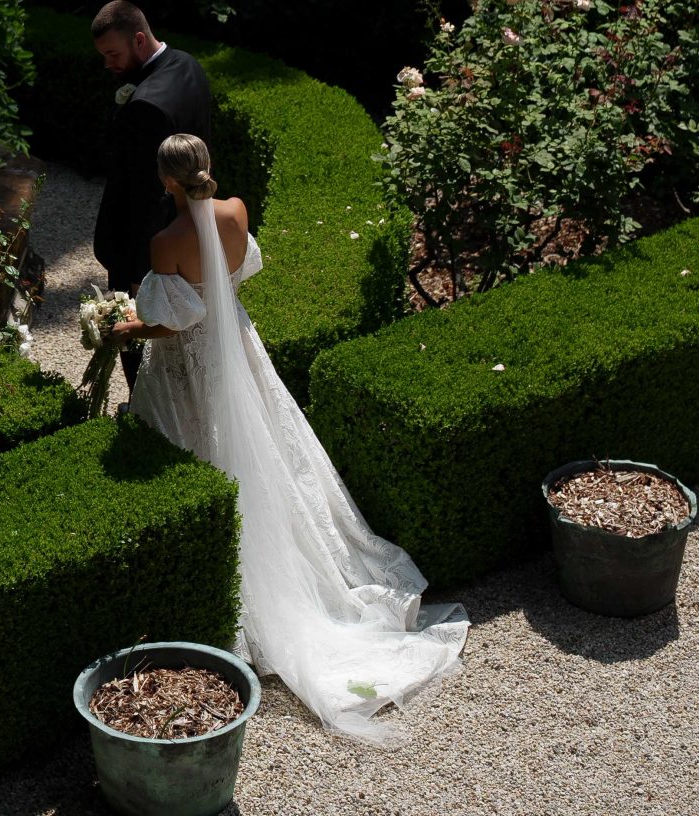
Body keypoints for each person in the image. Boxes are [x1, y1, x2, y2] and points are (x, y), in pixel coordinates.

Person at [110, 133, 468, 743]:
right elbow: (233, 280)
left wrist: (122, 330)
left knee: (201, 449)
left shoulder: (166, 242)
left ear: (167, 181)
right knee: (270, 451)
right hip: (240, 350)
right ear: (207, 168)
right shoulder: (237, 212)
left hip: (190, 368)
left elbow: (174, 325)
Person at [90, 1, 211, 391]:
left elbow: (144, 195)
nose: (108, 64)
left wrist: (133, 271)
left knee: (138, 332)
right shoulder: (189, 65)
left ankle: (145, 406)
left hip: (149, 245)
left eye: (114, 54)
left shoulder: (143, 106)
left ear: (139, 39)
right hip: (194, 225)